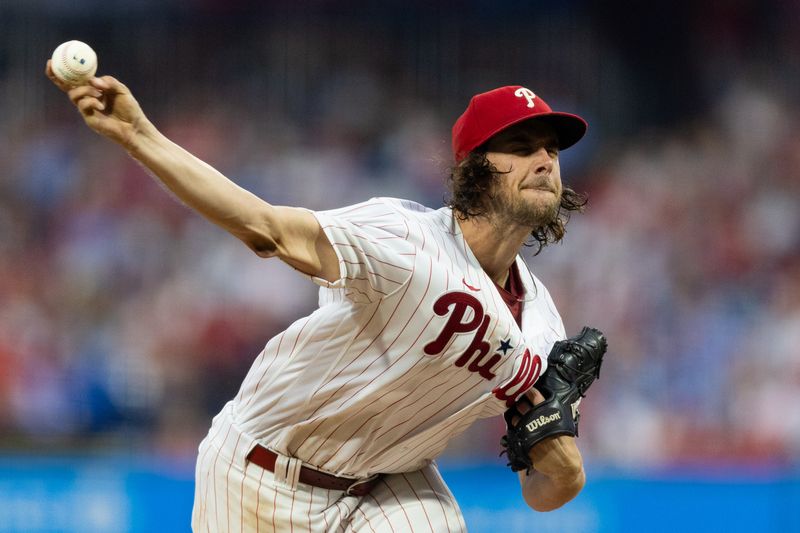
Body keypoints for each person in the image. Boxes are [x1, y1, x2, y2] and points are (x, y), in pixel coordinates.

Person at [47, 59, 592, 531]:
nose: (545, 160)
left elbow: (541, 494)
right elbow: (266, 228)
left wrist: (564, 467)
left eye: (550, 149)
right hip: (260, 471)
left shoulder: (542, 329)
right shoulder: (405, 240)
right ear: (474, 169)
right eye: (520, 148)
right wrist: (139, 135)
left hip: (388, 485)